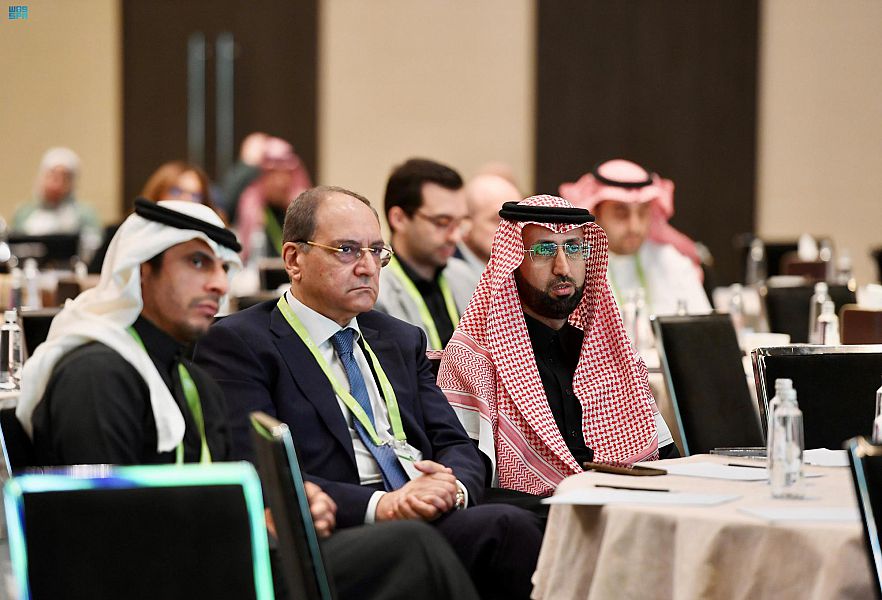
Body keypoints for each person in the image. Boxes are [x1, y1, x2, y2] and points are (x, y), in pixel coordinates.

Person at [15, 198, 475, 600]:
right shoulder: (97, 376)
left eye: (222, 268)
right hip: (166, 577)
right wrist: (255, 517)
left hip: (212, 556)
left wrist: (280, 506)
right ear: (139, 271)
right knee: (409, 548)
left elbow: (213, 483)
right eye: (198, 263)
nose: (218, 284)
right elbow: (106, 529)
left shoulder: (186, 376)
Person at [195, 185, 543, 600]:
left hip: (424, 506)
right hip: (341, 525)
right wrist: (382, 505)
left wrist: (452, 488)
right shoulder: (242, 342)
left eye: (376, 251)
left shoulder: (399, 338)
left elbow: (454, 442)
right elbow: (258, 467)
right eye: (346, 250)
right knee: (419, 543)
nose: (367, 267)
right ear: (293, 259)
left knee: (532, 517)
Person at [438, 196, 677, 497]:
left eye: (574, 249)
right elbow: (468, 486)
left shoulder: (612, 355)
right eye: (544, 250)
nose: (563, 268)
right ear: (513, 262)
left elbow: (669, 463)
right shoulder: (475, 362)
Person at [560, 159, 711, 316]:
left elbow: (704, 326)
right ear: (595, 214)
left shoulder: (672, 263)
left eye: (643, 212)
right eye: (621, 214)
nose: (635, 227)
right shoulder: (572, 271)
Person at [375, 158, 479, 350]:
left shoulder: (467, 277)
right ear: (399, 219)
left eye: (460, 223)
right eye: (442, 222)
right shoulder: (374, 291)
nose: (455, 237)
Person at [234, 136, 312, 261]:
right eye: (273, 174)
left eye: (285, 173)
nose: (280, 182)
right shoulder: (251, 206)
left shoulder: (301, 206)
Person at [12, 146, 101, 240]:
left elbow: (94, 241)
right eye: (53, 176)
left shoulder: (85, 214)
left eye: (64, 178)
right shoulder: (24, 213)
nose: (57, 183)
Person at [459, 173, 522, 278]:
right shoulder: (448, 271)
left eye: (516, 221)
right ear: (466, 222)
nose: (510, 230)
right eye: (498, 220)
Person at [141, 160, 224, 217]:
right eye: (176, 191)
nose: (186, 199)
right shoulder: (138, 228)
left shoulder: (212, 234)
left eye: (195, 196)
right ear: (158, 193)